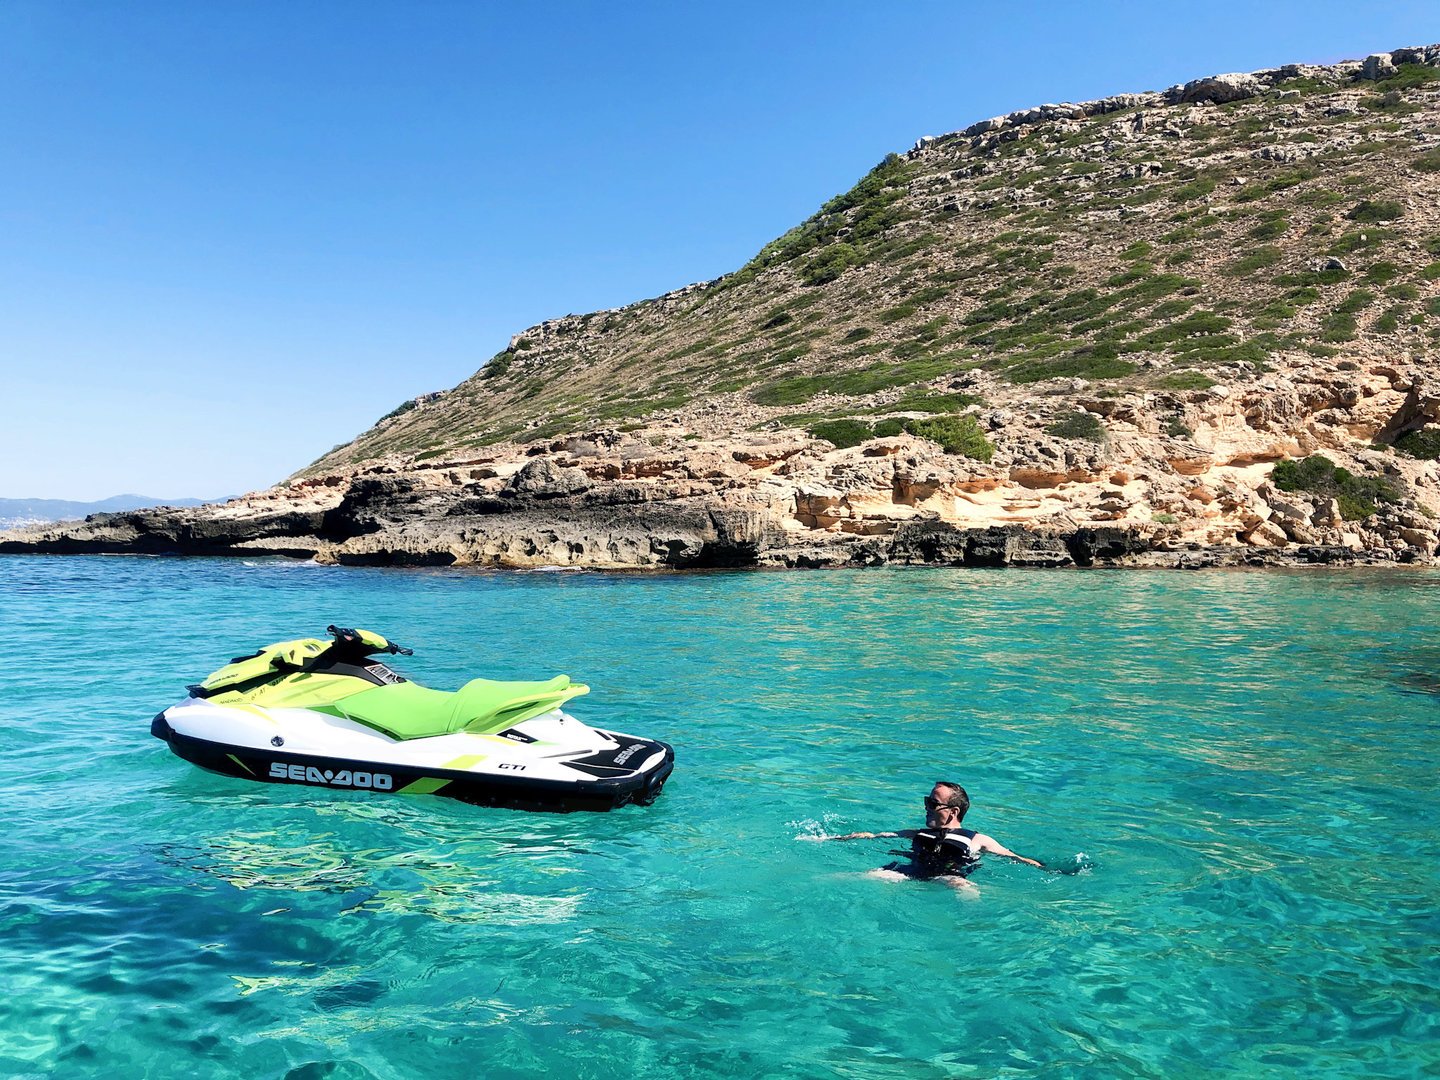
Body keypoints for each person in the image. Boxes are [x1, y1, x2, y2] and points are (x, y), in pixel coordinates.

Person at [827, 781, 1042, 888]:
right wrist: (830, 839)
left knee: (966, 893)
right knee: (858, 877)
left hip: (950, 877)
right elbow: (876, 835)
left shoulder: (978, 839)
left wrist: (1048, 870)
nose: (927, 808)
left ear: (953, 812)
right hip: (909, 872)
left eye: (933, 803)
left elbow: (1014, 857)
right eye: (926, 802)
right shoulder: (916, 833)